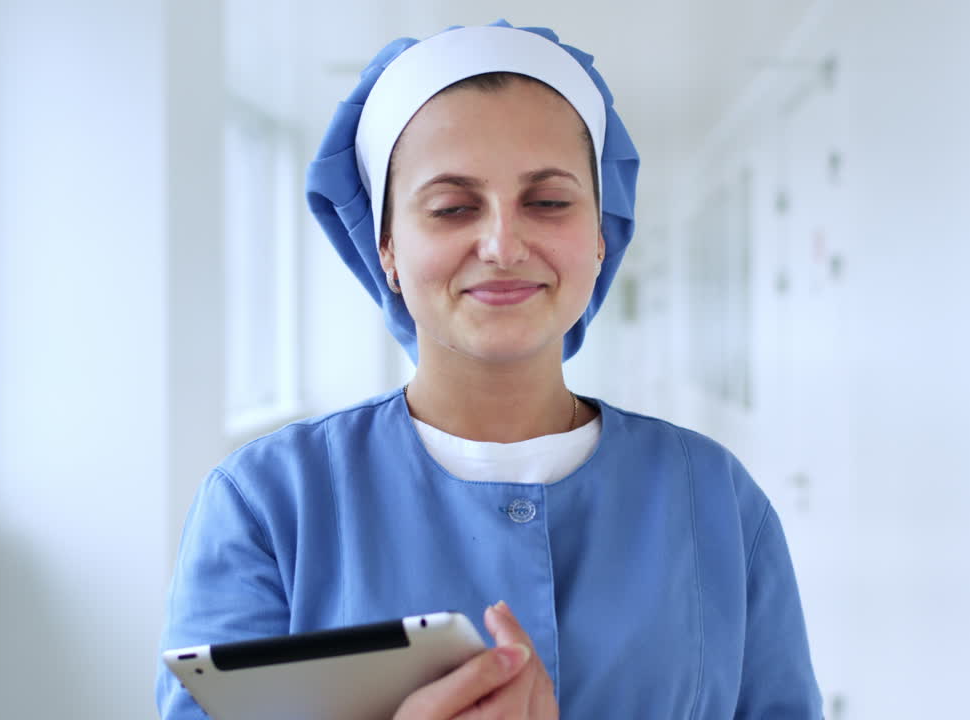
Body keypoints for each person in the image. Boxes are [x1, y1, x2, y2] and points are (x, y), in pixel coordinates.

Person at [156, 20, 822, 719]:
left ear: (601, 233)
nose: (503, 245)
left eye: (548, 201)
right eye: (452, 208)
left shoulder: (715, 500)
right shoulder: (265, 504)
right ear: (385, 246)